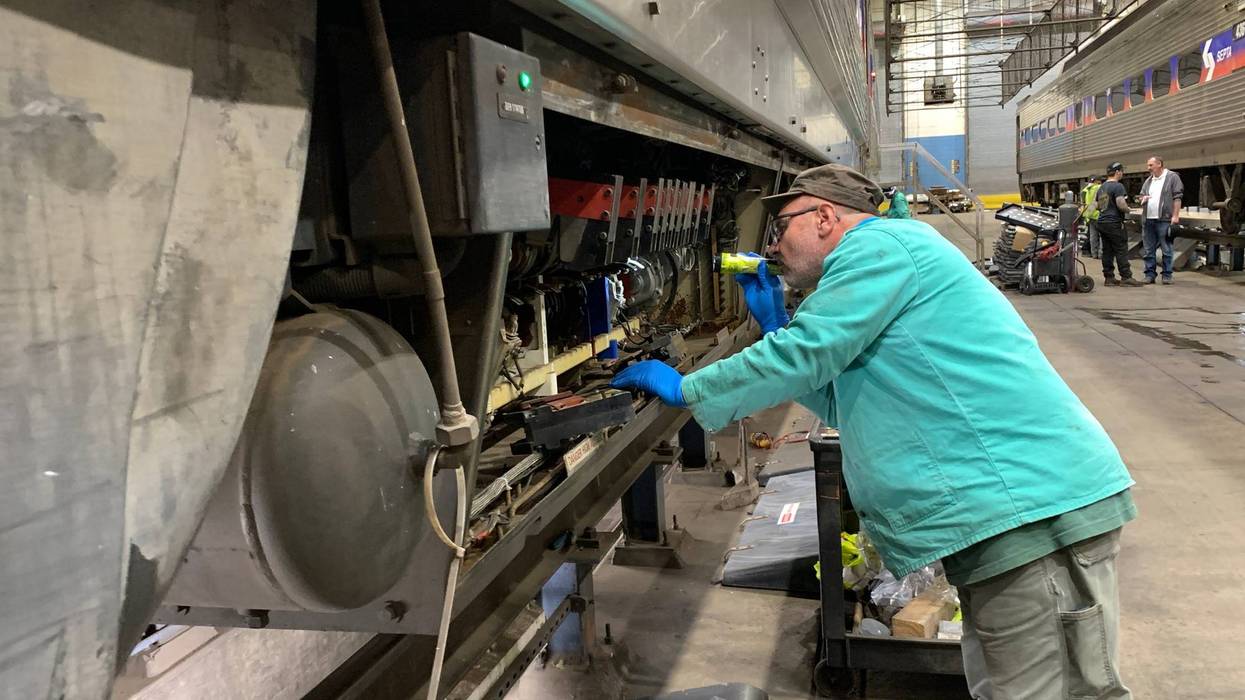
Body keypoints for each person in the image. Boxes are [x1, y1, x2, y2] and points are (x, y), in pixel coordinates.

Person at [611, 164, 1135, 699]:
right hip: (1011, 514)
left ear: (823, 217)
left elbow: (807, 353)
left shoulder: (879, 248)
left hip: (1030, 514)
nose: (773, 247)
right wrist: (776, 329)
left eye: (781, 227)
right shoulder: (889, 256)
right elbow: (842, 399)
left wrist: (691, 388)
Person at [1137, 156, 1183, 284]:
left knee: (1166, 249)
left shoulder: (1172, 178)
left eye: (1151, 165)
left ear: (1159, 164)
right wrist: (1142, 199)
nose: (1148, 168)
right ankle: (1149, 275)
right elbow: (1141, 195)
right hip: (1148, 219)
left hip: (1164, 219)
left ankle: (1167, 275)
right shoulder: (1149, 180)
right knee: (1148, 249)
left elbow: (1177, 198)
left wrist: (1175, 215)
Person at [1097, 163, 1143, 286]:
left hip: (1102, 222)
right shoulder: (1118, 186)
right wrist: (1129, 210)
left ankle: (1109, 278)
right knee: (1121, 249)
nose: (1122, 173)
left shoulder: (1102, 187)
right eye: (1122, 171)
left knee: (1107, 251)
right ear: (1117, 172)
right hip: (1114, 223)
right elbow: (1120, 203)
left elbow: (1099, 206)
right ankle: (1126, 277)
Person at [1080, 175, 1103, 259]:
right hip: (1098, 214)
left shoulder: (1085, 190)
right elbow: (1103, 202)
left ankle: (1094, 254)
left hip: (1089, 215)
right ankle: (1101, 254)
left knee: (1092, 236)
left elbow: (1083, 203)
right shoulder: (1100, 188)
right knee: (1101, 236)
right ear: (1097, 181)